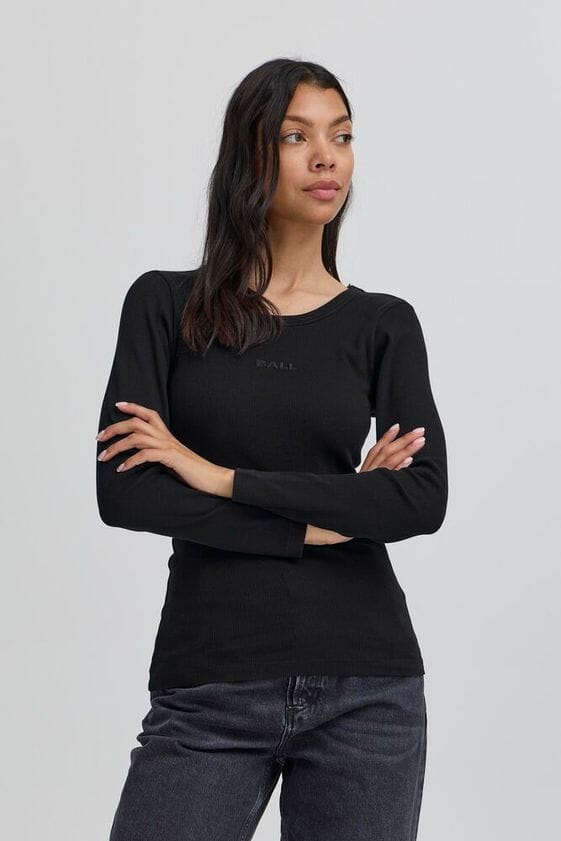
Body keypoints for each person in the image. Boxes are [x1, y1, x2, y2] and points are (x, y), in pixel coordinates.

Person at [96, 57, 448, 841]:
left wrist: (214, 475)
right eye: (296, 136)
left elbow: (418, 498)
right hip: (210, 679)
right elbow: (128, 491)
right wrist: (322, 522)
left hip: (368, 685)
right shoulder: (164, 305)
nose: (326, 157)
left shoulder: (381, 324)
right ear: (248, 154)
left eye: (341, 136)